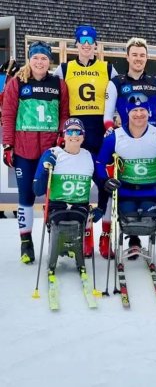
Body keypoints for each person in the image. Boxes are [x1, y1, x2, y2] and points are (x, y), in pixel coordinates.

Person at [103, 37, 156, 258]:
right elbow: (107, 115)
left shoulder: (154, 81)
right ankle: (133, 236)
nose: (138, 58)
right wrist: (111, 132)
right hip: (127, 143)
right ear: (127, 57)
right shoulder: (116, 82)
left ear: (147, 58)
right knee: (130, 190)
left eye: (142, 55)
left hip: (153, 143)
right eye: (134, 54)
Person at [54, 25, 118, 259]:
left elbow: (117, 95)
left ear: (95, 45)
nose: (86, 45)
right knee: (80, 184)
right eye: (82, 42)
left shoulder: (107, 68)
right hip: (75, 133)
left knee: (106, 184)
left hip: (100, 132)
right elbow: (56, 98)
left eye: (90, 41)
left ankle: (105, 237)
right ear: (76, 45)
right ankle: (86, 234)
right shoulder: (64, 68)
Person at [2, 41, 69, 263]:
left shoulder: (59, 84)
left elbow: (64, 114)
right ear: (29, 59)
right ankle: (26, 241)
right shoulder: (17, 83)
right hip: (24, 149)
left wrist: (62, 135)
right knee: (26, 196)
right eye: (35, 57)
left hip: (49, 149)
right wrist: (8, 145)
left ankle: (56, 237)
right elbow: (8, 115)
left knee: (53, 196)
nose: (40, 62)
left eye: (44, 58)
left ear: (49, 61)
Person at [96, 94, 156, 260]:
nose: (139, 114)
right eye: (134, 110)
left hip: (151, 191)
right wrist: (104, 180)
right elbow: (100, 162)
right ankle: (132, 240)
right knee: (129, 218)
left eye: (142, 109)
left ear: (149, 112)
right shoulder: (115, 137)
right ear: (127, 113)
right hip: (126, 191)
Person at [33, 118, 106, 264]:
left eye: (78, 131)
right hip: (56, 206)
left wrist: (101, 209)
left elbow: (103, 185)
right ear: (64, 135)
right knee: (57, 226)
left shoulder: (89, 157)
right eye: (70, 131)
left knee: (78, 222)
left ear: (83, 136)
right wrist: (46, 171)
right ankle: (55, 254)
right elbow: (37, 190)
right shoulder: (52, 153)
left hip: (80, 207)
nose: (74, 135)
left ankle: (79, 255)